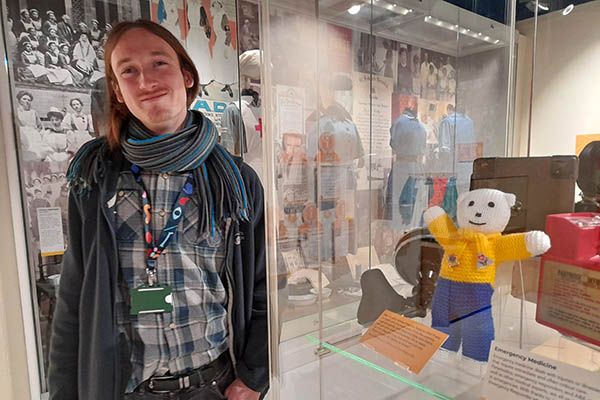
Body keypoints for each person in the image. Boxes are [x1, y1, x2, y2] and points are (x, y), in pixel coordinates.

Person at [48, 20, 268, 400]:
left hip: (213, 387)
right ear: (117, 90)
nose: (146, 80)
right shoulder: (96, 179)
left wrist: (253, 378)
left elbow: (264, 289)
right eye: (128, 70)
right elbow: (73, 304)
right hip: (129, 389)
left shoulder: (236, 181)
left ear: (186, 75)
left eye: (159, 63)